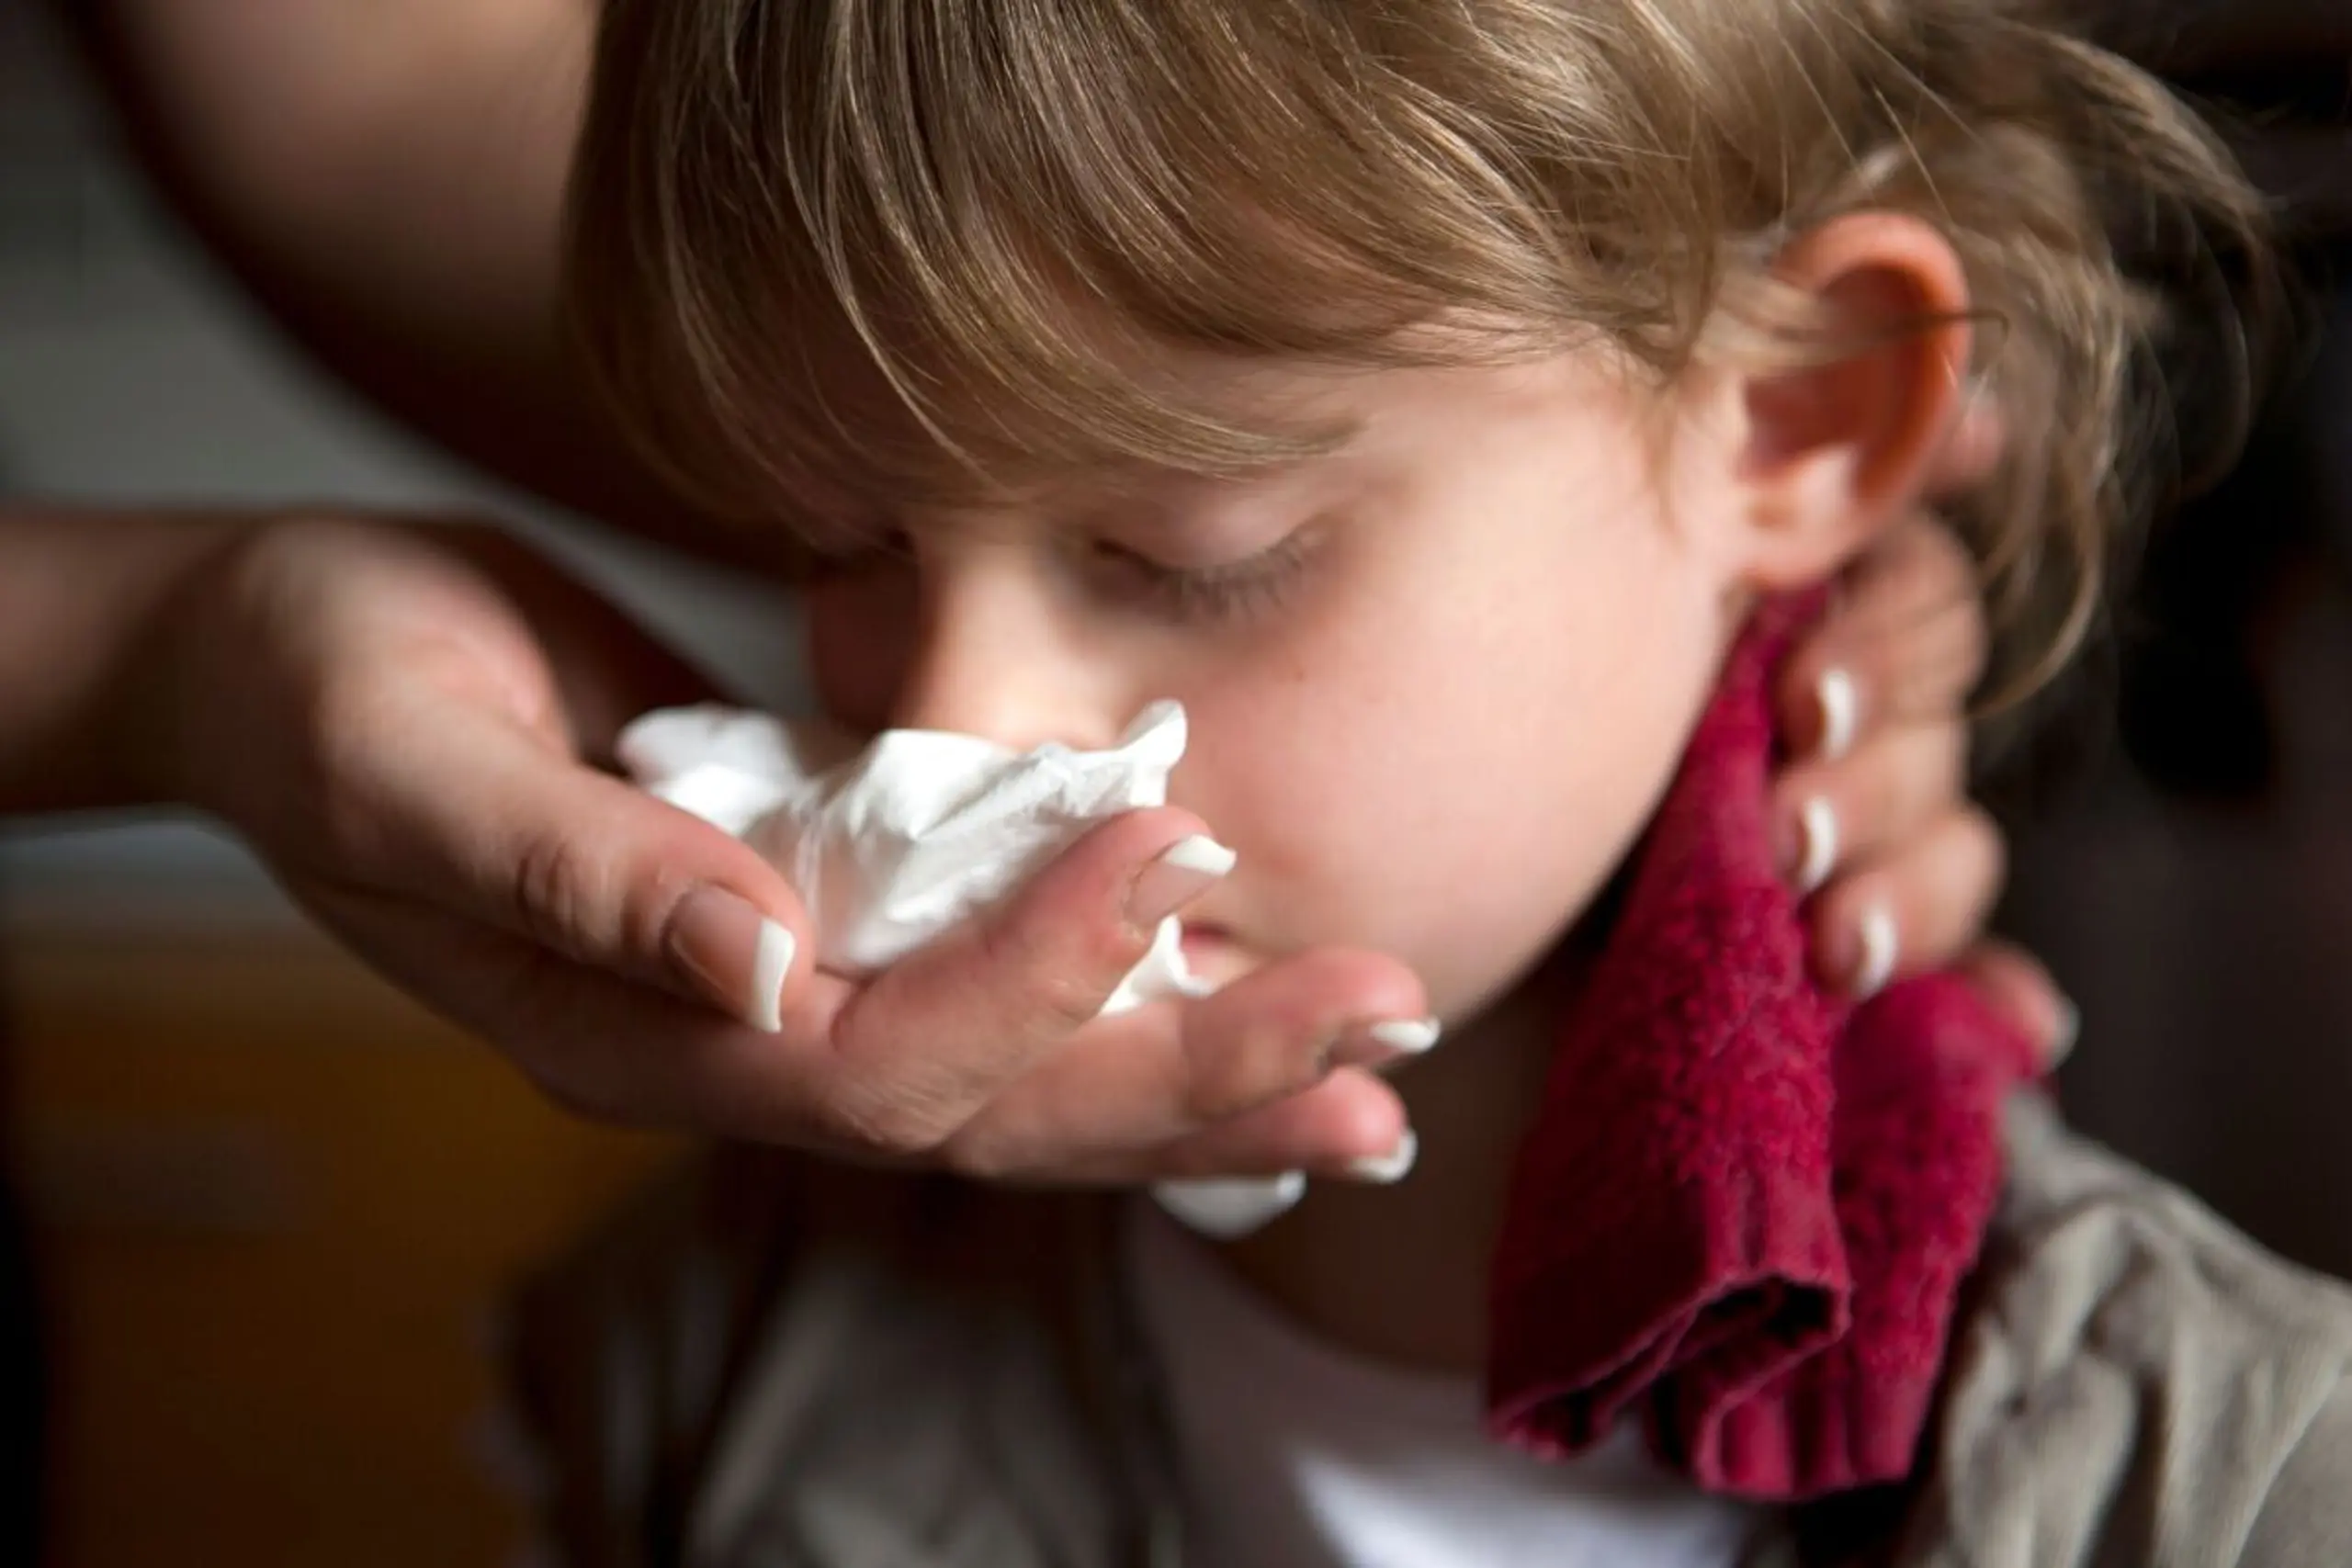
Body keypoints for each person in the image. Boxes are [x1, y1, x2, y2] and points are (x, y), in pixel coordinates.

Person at [481, 0, 2352, 1564]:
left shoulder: (2215, 1475)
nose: (944, 728)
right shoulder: (701, 1351)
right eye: (837, 542)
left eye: (1192, 553)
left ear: (1792, 419)